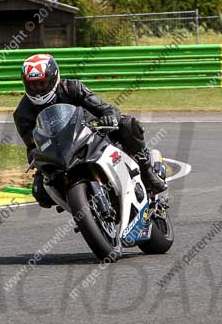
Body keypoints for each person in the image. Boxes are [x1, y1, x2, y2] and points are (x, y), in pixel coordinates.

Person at [13, 53, 167, 208]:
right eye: (32, 85)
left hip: (91, 133)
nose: (38, 89)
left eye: (42, 83)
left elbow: (104, 108)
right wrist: (35, 158)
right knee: (40, 192)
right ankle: (76, 203)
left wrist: (109, 116)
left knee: (129, 124)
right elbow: (32, 145)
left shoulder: (72, 88)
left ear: (53, 78)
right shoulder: (22, 113)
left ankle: (147, 172)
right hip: (58, 152)